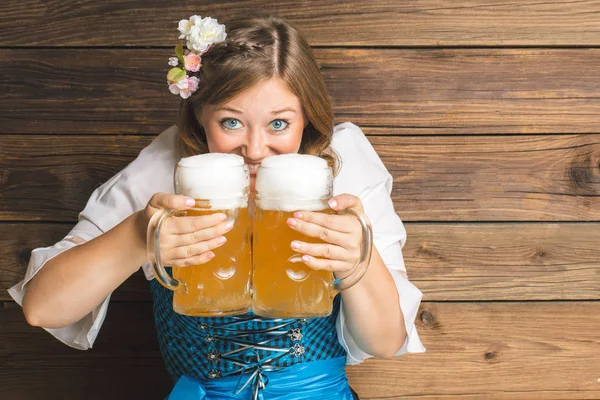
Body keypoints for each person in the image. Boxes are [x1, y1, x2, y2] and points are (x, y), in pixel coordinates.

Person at [8, 13, 426, 400]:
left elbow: (385, 342)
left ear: (308, 118)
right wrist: (137, 237)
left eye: (279, 123)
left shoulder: (342, 175)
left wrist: (360, 262)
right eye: (231, 122)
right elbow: (43, 308)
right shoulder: (166, 174)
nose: (256, 149)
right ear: (199, 117)